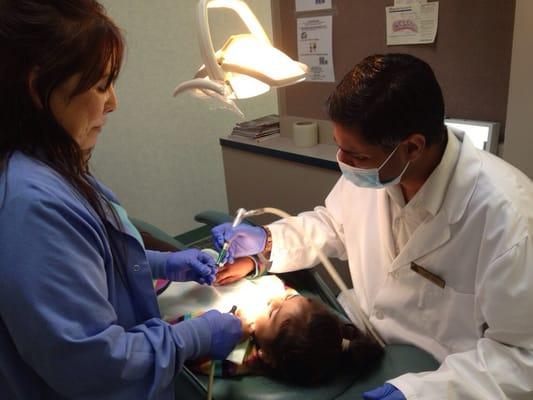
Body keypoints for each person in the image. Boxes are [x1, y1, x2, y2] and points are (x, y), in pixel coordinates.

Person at [212, 53, 533, 399]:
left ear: (411, 147)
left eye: (356, 156)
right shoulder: (377, 173)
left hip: (442, 378)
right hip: (362, 341)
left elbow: (521, 356)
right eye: (340, 149)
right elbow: (333, 225)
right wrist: (267, 243)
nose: (344, 164)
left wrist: (417, 394)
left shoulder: (509, 220)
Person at [0, 1, 246, 399]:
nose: (112, 103)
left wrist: (164, 263)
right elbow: (96, 366)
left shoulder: (51, 166)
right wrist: (194, 338)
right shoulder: (30, 207)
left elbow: (86, 260)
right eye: (100, 86)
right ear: (37, 86)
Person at [165, 257, 383, 384]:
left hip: (163, 294)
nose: (276, 297)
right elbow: (272, 274)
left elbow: (174, 347)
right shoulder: (291, 309)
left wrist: (212, 329)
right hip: (206, 268)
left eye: (272, 313)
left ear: (266, 355)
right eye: (290, 297)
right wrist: (252, 264)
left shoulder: (236, 356)